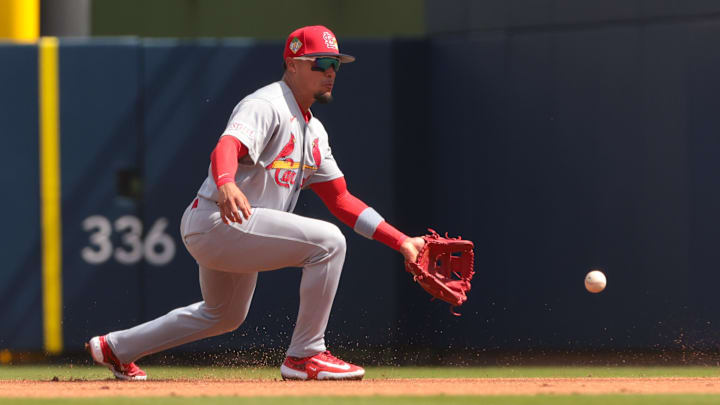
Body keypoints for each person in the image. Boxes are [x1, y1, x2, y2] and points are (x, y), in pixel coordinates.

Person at [86, 25, 425, 381]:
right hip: (219, 219)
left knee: (224, 315)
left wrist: (401, 241)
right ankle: (306, 354)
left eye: (335, 64)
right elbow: (227, 147)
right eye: (320, 62)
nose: (329, 72)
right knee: (329, 243)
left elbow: (341, 199)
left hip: (236, 228)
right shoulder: (268, 104)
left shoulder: (315, 132)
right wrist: (227, 182)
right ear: (292, 64)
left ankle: (116, 347)